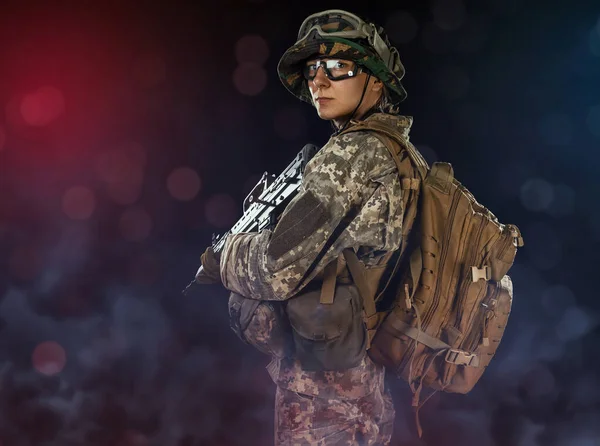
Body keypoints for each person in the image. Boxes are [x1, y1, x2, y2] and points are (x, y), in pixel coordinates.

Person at [197, 9, 417, 445]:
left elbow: (276, 270)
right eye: (313, 68)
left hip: (325, 400)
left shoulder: (351, 157)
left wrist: (222, 256)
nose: (319, 80)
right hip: (363, 387)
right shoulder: (398, 151)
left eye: (338, 66)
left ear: (375, 77)